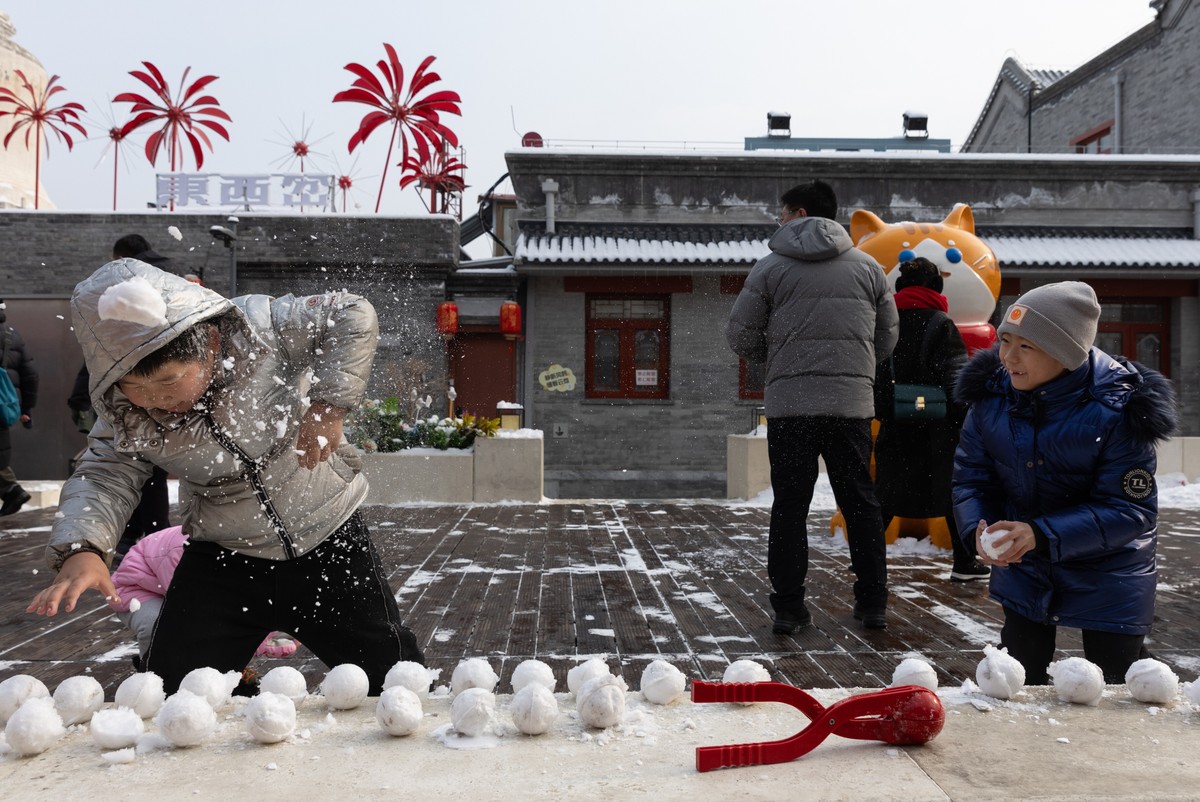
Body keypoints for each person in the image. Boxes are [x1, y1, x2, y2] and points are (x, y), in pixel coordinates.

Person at [28, 259, 424, 694]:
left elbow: (351, 313)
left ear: (211, 344)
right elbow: (104, 473)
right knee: (172, 689)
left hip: (328, 540)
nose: (156, 401)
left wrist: (328, 405)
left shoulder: (259, 329)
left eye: (168, 382)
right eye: (136, 388)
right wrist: (83, 548)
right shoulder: (124, 414)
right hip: (223, 558)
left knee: (394, 680)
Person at [953, 281, 1178, 684]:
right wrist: (978, 529)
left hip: (1110, 572)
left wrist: (1040, 532)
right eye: (1005, 340)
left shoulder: (1120, 409)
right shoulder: (991, 400)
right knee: (1016, 680)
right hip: (1026, 567)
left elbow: (1131, 509)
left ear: (1065, 352)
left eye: (1026, 346)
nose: (1007, 357)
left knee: (1120, 685)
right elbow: (972, 478)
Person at [727, 180, 898, 633]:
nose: (779, 221)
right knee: (861, 503)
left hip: (791, 408)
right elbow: (886, 339)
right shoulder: (869, 268)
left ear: (799, 213)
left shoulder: (769, 269)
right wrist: (852, 367)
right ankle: (873, 602)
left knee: (790, 507)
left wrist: (782, 358)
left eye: (782, 213)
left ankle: (788, 608)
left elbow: (740, 336)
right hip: (850, 407)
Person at [873, 257, 988, 582]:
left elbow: (876, 373)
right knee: (952, 493)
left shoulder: (887, 323)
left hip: (896, 425)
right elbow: (956, 378)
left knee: (885, 495)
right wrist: (962, 416)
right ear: (935, 287)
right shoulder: (941, 322)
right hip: (938, 430)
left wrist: (888, 410)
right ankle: (965, 562)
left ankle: (867, 560)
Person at [108, 525, 298, 665]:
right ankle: (152, 672)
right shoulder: (183, 553)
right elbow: (190, 608)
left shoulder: (239, 548)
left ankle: (226, 676)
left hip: (166, 588)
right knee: (157, 624)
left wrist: (264, 632)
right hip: (134, 590)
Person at [0, 300, 37, 516]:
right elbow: (31, 375)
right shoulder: (12, 336)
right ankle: (11, 489)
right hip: (4, 405)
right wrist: (27, 408)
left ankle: (12, 489)